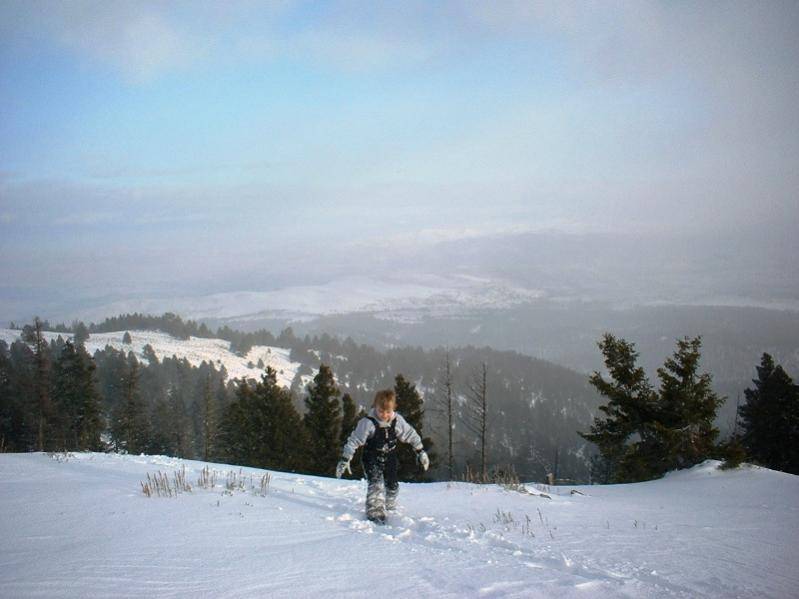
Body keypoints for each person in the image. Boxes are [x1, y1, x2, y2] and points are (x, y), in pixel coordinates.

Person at [335, 389, 429, 524]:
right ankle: (375, 511)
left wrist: (420, 451)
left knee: (392, 485)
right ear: (375, 407)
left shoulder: (397, 421)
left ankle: (390, 503)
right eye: (380, 411)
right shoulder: (368, 423)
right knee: (376, 483)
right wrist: (345, 458)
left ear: (393, 409)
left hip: (390, 456)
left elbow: (410, 434)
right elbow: (354, 440)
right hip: (371, 456)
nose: (384, 415)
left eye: (388, 412)